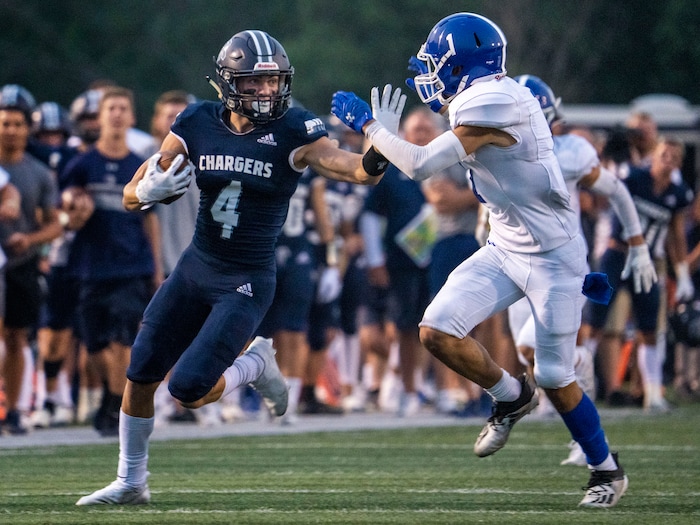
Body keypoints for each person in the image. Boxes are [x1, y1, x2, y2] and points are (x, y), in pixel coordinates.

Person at [331, 12, 631, 508]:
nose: (428, 73)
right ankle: (511, 395)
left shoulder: (495, 100)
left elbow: (423, 166)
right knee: (436, 330)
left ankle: (606, 470)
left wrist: (368, 125)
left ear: (461, 63)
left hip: (555, 258)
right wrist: (383, 138)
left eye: (436, 62)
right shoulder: (479, 97)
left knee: (556, 375)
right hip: (505, 247)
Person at [76, 29, 385, 506]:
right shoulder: (197, 120)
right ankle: (131, 481)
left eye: (273, 81)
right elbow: (131, 193)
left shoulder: (294, 130)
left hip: (245, 278)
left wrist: (378, 140)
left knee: (189, 389)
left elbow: (355, 169)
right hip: (195, 267)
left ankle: (255, 363)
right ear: (227, 83)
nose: (266, 91)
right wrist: (147, 193)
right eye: (254, 82)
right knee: (140, 373)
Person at [508, 74, 656, 465]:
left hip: (559, 265)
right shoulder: (495, 145)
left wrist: (638, 243)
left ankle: (585, 432)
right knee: (532, 357)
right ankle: (576, 368)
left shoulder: (570, 151)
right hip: (510, 260)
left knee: (534, 350)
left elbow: (616, 190)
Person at [62, 86, 161, 437]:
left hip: (130, 266)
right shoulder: (81, 166)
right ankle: (109, 392)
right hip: (90, 265)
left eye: (123, 108)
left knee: (122, 341)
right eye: (111, 108)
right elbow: (65, 213)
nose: (117, 114)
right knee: (95, 347)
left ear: (131, 117)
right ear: (100, 116)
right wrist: (72, 214)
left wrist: (157, 268)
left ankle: (116, 407)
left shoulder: (139, 166)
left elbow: (150, 220)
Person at [584, 137, 694, 411]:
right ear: (654, 157)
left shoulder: (679, 194)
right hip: (616, 254)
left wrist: (681, 274)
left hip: (647, 262)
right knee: (594, 320)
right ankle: (578, 385)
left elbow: (676, 234)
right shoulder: (633, 177)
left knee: (649, 328)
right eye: (664, 154)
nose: (667, 160)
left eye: (673, 157)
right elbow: (607, 190)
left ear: (679, 163)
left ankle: (653, 394)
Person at [0, 84, 63, 435]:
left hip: (20, 263)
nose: (10, 130)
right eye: (5, 123)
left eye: (17, 124)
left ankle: (13, 408)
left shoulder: (38, 173)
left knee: (16, 337)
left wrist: (31, 240)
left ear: (28, 129)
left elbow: (55, 225)